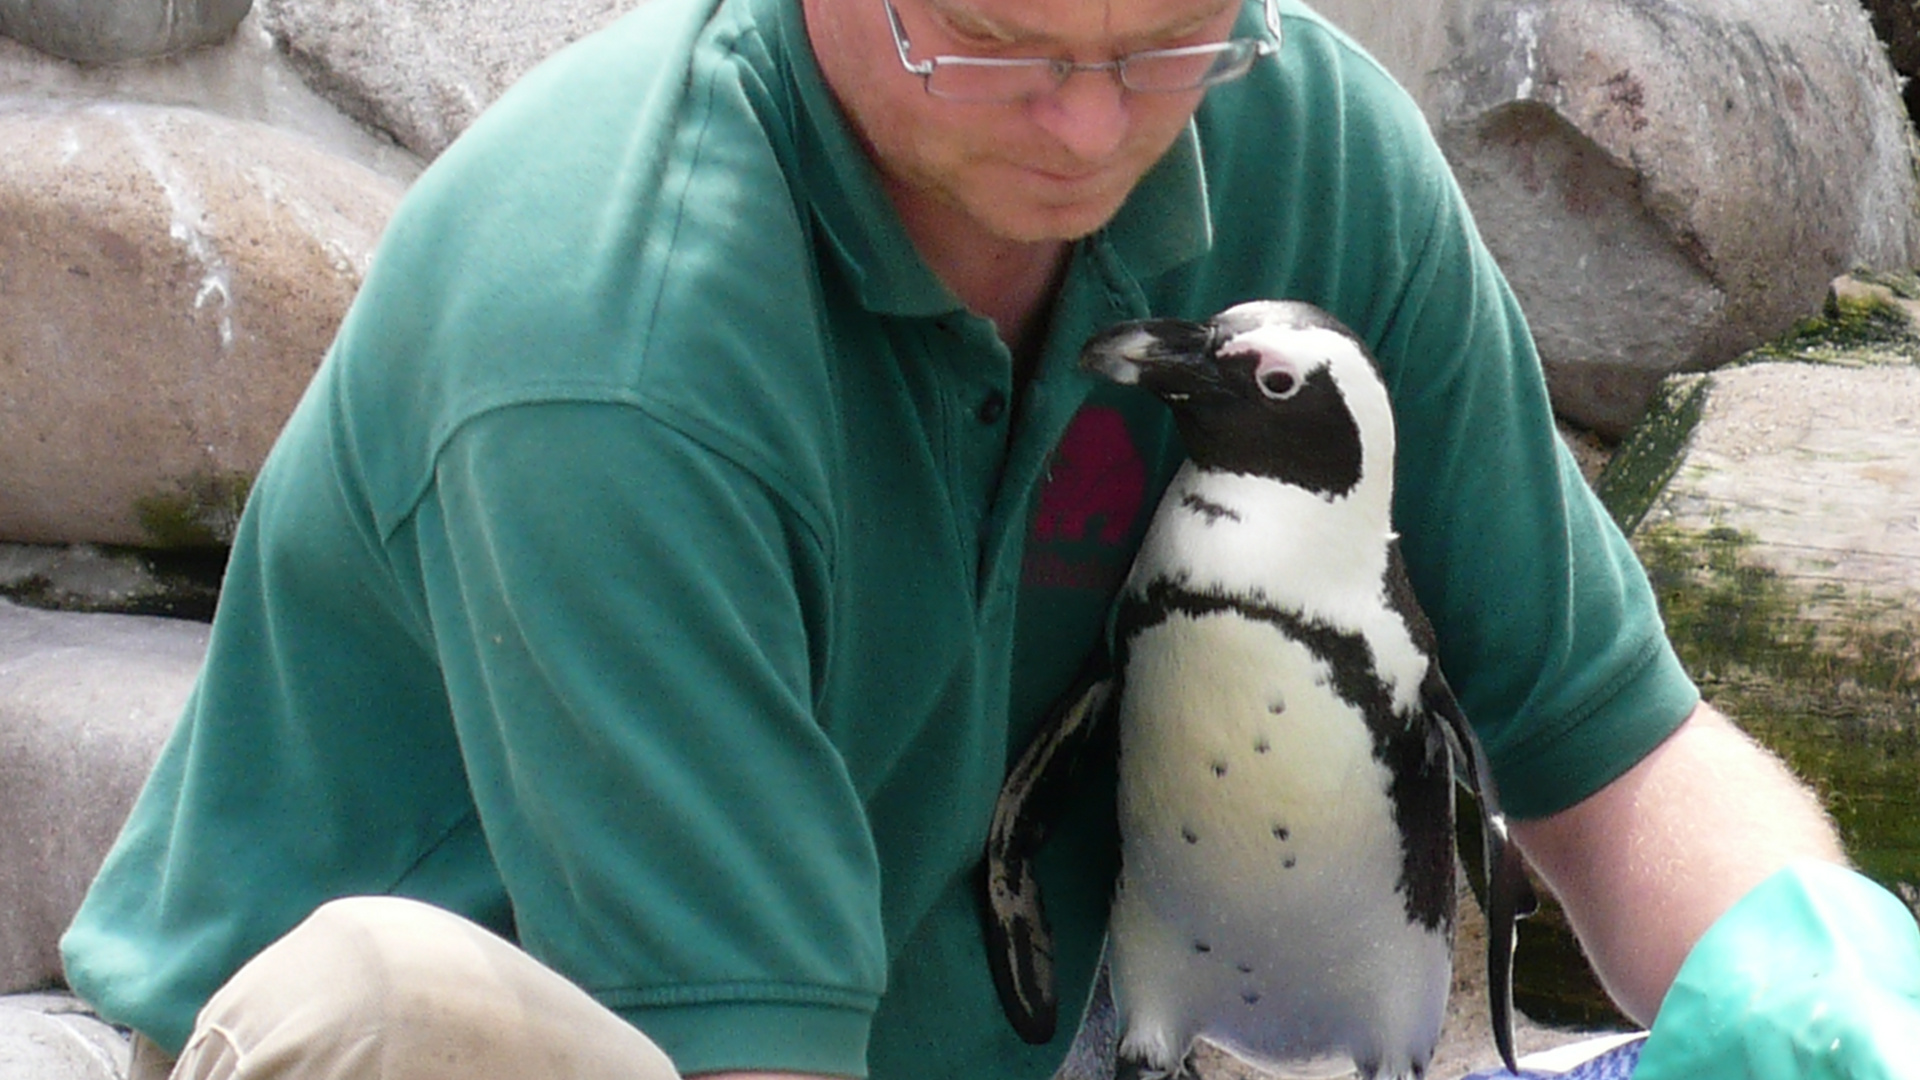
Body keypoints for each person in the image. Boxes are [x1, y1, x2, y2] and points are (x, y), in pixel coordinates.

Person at [59, 0, 1920, 1075]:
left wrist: (1815, 970)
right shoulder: (610, 343)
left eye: (1163, 31)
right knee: (374, 1014)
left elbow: (1615, 755)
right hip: (602, 1049)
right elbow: (751, 1051)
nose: (1091, 116)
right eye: (994, 35)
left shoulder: (1300, 143)